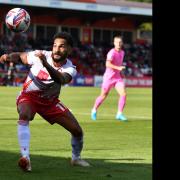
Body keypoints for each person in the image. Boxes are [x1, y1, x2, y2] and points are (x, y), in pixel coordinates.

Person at [0, 32, 90, 172]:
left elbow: (60, 79)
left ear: (70, 50)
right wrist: (8, 56)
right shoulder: (41, 54)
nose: (56, 49)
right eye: (55, 46)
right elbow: (20, 56)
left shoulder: (70, 68)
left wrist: (45, 64)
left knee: (77, 131)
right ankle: (26, 158)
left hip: (50, 102)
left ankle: (76, 158)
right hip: (29, 97)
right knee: (24, 115)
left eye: (61, 47)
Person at [91, 35, 127, 121]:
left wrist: (121, 73)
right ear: (114, 43)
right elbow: (107, 64)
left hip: (117, 78)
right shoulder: (111, 52)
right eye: (116, 42)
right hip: (109, 78)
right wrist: (118, 68)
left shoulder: (122, 52)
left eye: (120, 42)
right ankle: (94, 110)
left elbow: (119, 64)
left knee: (123, 94)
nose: (118, 44)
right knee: (103, 95)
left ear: (122, 43)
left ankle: (119, 114)